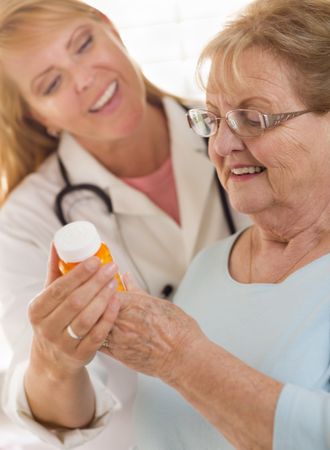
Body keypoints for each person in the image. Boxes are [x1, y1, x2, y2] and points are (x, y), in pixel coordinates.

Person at [61, 0, 330, 448]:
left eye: (252, 118)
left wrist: (180, 357)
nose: (222, 144)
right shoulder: (209, 266)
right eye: (214, 119)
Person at [0, 0, 250, 449]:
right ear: (39, 116)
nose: (84, 79)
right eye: (52, 82)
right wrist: (56, 359)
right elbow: (59, 417)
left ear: (111, 28)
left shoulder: (241, 129)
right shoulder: (26, 222)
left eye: (82, 44)